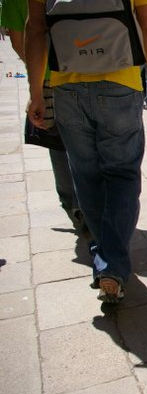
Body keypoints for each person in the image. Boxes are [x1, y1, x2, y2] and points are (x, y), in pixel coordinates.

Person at [25, 0, 147, 304]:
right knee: (122, 175)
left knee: (86, 176)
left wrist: (36, 92)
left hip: (67, 86)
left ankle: (106, 262)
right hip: (120, 82)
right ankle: (111, 266)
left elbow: (35, 29)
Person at [1, 0, 84, 232]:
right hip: (78, 70)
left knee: (57, 144)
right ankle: (86, 203)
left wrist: (37, 73)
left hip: (46, 78)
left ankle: (71, 204)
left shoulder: (11, 2)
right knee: (83, 142)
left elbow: (19, 41)